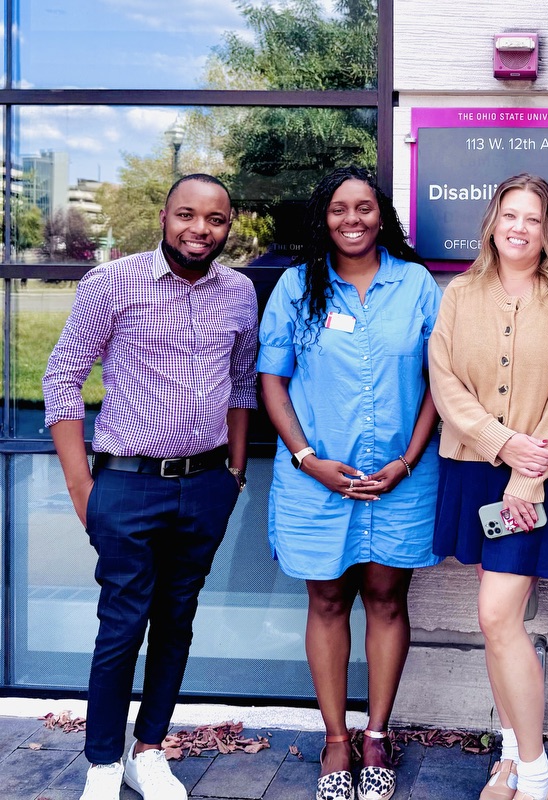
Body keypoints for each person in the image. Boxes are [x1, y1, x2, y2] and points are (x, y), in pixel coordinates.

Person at [42, 174, 258, 800]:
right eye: (187, 215)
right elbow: (62, 380)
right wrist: (83, 488)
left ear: (228, 227)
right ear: (164, 217)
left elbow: (242, 386)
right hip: (127, 485)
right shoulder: (112, 282)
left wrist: (235, 473)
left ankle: (150, 750)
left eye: (215, 220)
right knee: (121, 625)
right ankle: (104, 762)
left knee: (176, 620)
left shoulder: (239, 293)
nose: (200, 229)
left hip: (206, 485)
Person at [258, 166, 441, 800]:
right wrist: (308, 458)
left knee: (389, 601)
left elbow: (441, 383)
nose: (352, 220)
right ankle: (337, 738)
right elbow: (272, 380)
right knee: (329, 603)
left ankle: (377, 734)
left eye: (364, 207)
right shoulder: (294, 287)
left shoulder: (415, 284)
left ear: (381, 215)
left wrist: (408, 461)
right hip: (316, 480)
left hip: (402, 478)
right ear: (324, 218)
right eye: (339, 209)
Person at [430, 173, 548, 800]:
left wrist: (525, 474)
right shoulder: (461, 293)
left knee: (496, 614)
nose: (519, 227)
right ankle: (510, 755)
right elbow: (443, 377)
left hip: (542, 474)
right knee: (496, 620)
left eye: (532, 217)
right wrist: (498, 441)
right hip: (475, 467)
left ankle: (535, 773)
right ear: (492, 222)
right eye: (510, 215)